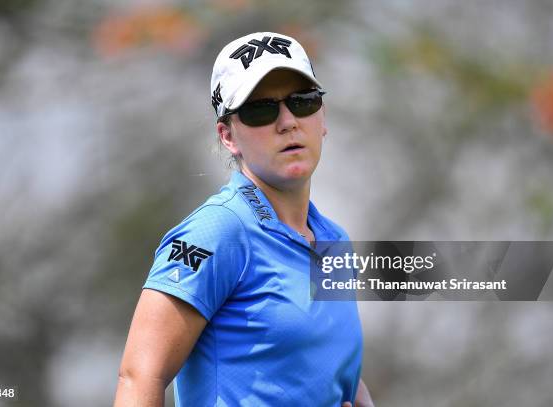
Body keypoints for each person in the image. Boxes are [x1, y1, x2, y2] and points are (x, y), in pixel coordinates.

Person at [114, 32, 374, 407]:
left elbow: (326, 362)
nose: (287, 121)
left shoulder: (335, 239)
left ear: (322, 116)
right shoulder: (216, 232)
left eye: (302, 102)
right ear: (227, 136)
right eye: (260, 109)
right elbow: (138, 378)